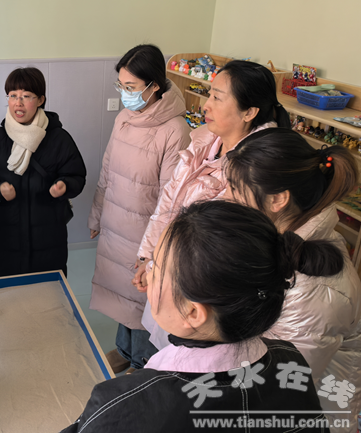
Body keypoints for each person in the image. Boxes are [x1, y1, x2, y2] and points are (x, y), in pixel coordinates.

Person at [63, 201, 339, 432]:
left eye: (156, 268)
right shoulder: (290, 362)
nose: (148, 274)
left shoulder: (122, 404)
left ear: (192, 312)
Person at [133, 60, 291, 349]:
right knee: (160, 341)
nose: (206, 105)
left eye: (217, 98)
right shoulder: (204, 141)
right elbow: (169, 201)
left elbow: (222, 247)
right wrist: (150, 257)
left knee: (186, 355)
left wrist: (163, 266)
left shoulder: (257, 169)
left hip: (202, 289)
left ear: (249, 112)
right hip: (170, 265)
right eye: (209, 94)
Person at [224, 128, 361, 432]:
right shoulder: (283, 237)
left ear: (277, 199)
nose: (226, 196)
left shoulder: (315, 290)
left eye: (234, 188)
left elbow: (276, 386)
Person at [87, 44, 191, 375]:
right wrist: (96, 214)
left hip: (146, 234)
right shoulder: (124, 118)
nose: (124, 94)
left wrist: (153, 251)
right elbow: (107, 171)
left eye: (130, 87)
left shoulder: (175, 130)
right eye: (120, 86)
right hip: (116, 222)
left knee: (143, 298)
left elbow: (171, 200)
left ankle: (142, 363)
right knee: (122, 294)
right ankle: (124, 350)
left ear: (154, 85)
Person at [0, 67, 86, 277]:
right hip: (7, 235)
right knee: (9, 292)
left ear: (41, 99)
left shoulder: (59, 139)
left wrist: (64, 185)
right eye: (13, 95)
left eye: (26, 96)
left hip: (49, 235)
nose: (18, 102)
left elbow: (77, 175)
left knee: (49, 291)